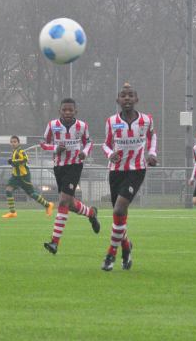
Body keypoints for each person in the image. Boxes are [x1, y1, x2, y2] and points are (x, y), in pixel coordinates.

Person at [100, 82, 157, 272]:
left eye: (130, 95)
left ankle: (110, 254)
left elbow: (152, 137)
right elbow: (105, 144)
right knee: (119, 216)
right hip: (115, 170)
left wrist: (152, 153)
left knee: (119, 209)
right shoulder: (111, 121)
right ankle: (126, 249)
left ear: (136, 99)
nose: (127, 98)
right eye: (123, 95)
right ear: (118, 100)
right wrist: (110, 154)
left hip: (136, 170)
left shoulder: (147, 120)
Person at [40, 98, 100, 255]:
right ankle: (91, 213)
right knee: (70, 204)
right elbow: (43, 143)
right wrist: (55, 148)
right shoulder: (52, 125)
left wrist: (84, 153)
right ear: (59, 111)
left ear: (75, 112)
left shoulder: (82, 126)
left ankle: (54, 242)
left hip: (75, 166)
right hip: (59, 167)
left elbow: (89, 142)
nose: (67, 112)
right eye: (64, 110)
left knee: (63, 201)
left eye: (70, 110)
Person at [1, 135, 54, 218]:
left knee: (32, 194)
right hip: (15, 176)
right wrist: (12, 162)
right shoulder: (14, 151)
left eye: (15, 142)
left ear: (18, 143)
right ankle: (13, 212)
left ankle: (48, 205)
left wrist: (13, 161)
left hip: (23, 176)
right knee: (8, 190)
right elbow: (15, 163)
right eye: (11, 142)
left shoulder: (21, 151)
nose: (13, 143)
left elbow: (25, 160)